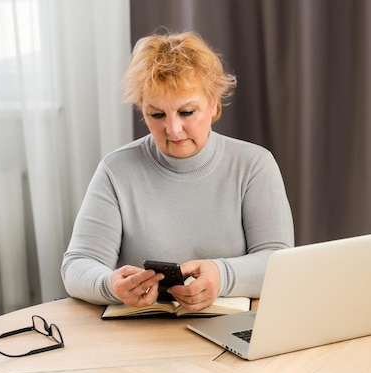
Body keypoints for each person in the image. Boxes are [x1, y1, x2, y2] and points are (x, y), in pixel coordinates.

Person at [61, 31, 294, 312]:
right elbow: (77, 266)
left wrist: (222, 276)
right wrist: (110, 285)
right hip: (140, 337)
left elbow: (279, 262)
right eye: (156, 115)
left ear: (213, 105)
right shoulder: (115, 170)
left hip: (232, 332)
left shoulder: (254, 164)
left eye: (186, 112)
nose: (172, 129)